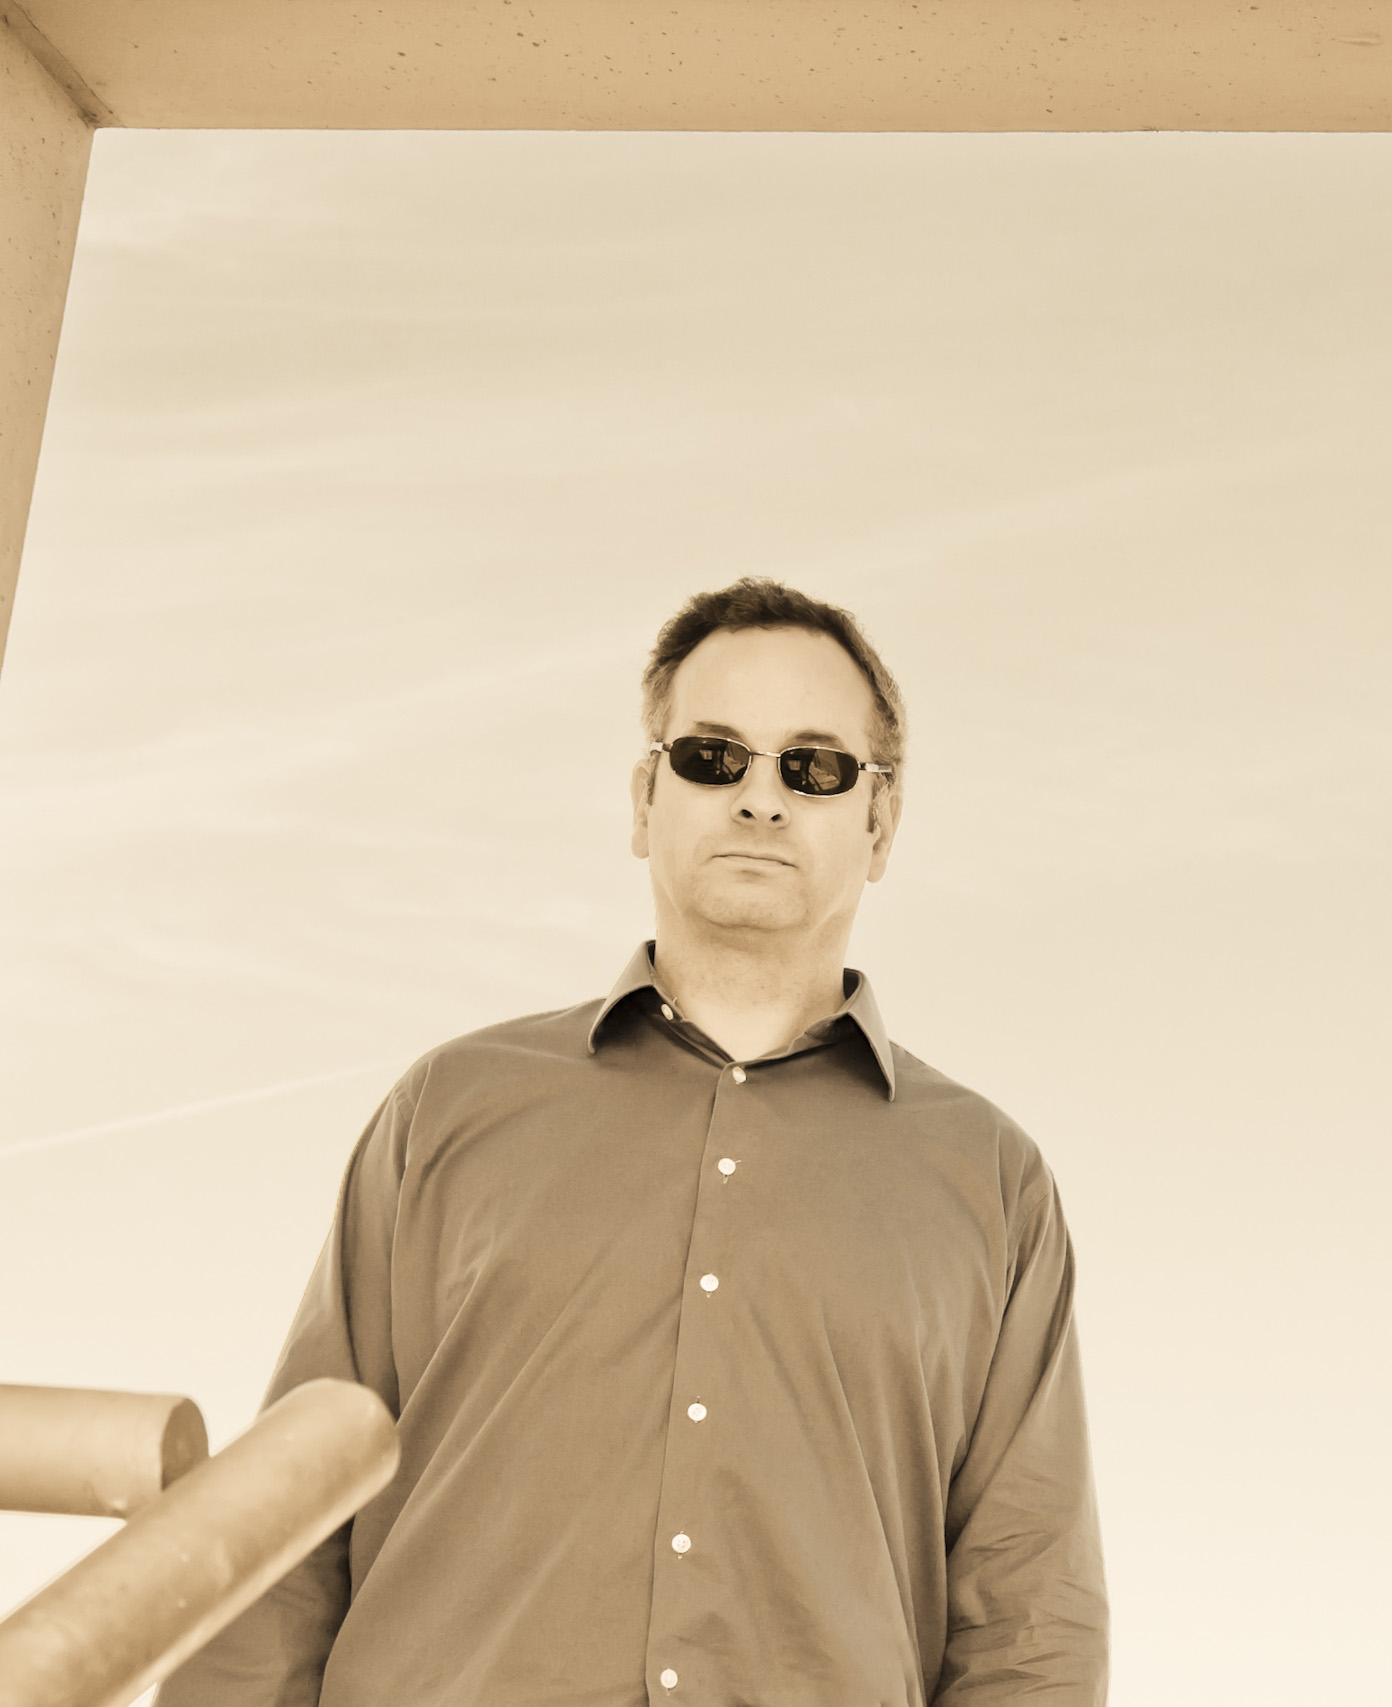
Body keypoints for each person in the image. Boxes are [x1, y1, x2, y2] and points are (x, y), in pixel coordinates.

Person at [164, 577, 1106, 1706]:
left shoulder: (991, 1183)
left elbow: (1029, 1621)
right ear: (643, 798)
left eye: (813, 767)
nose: (760, 799)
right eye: (713, 757)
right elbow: (282, 1529)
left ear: (880, 822)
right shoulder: (450, 1109)